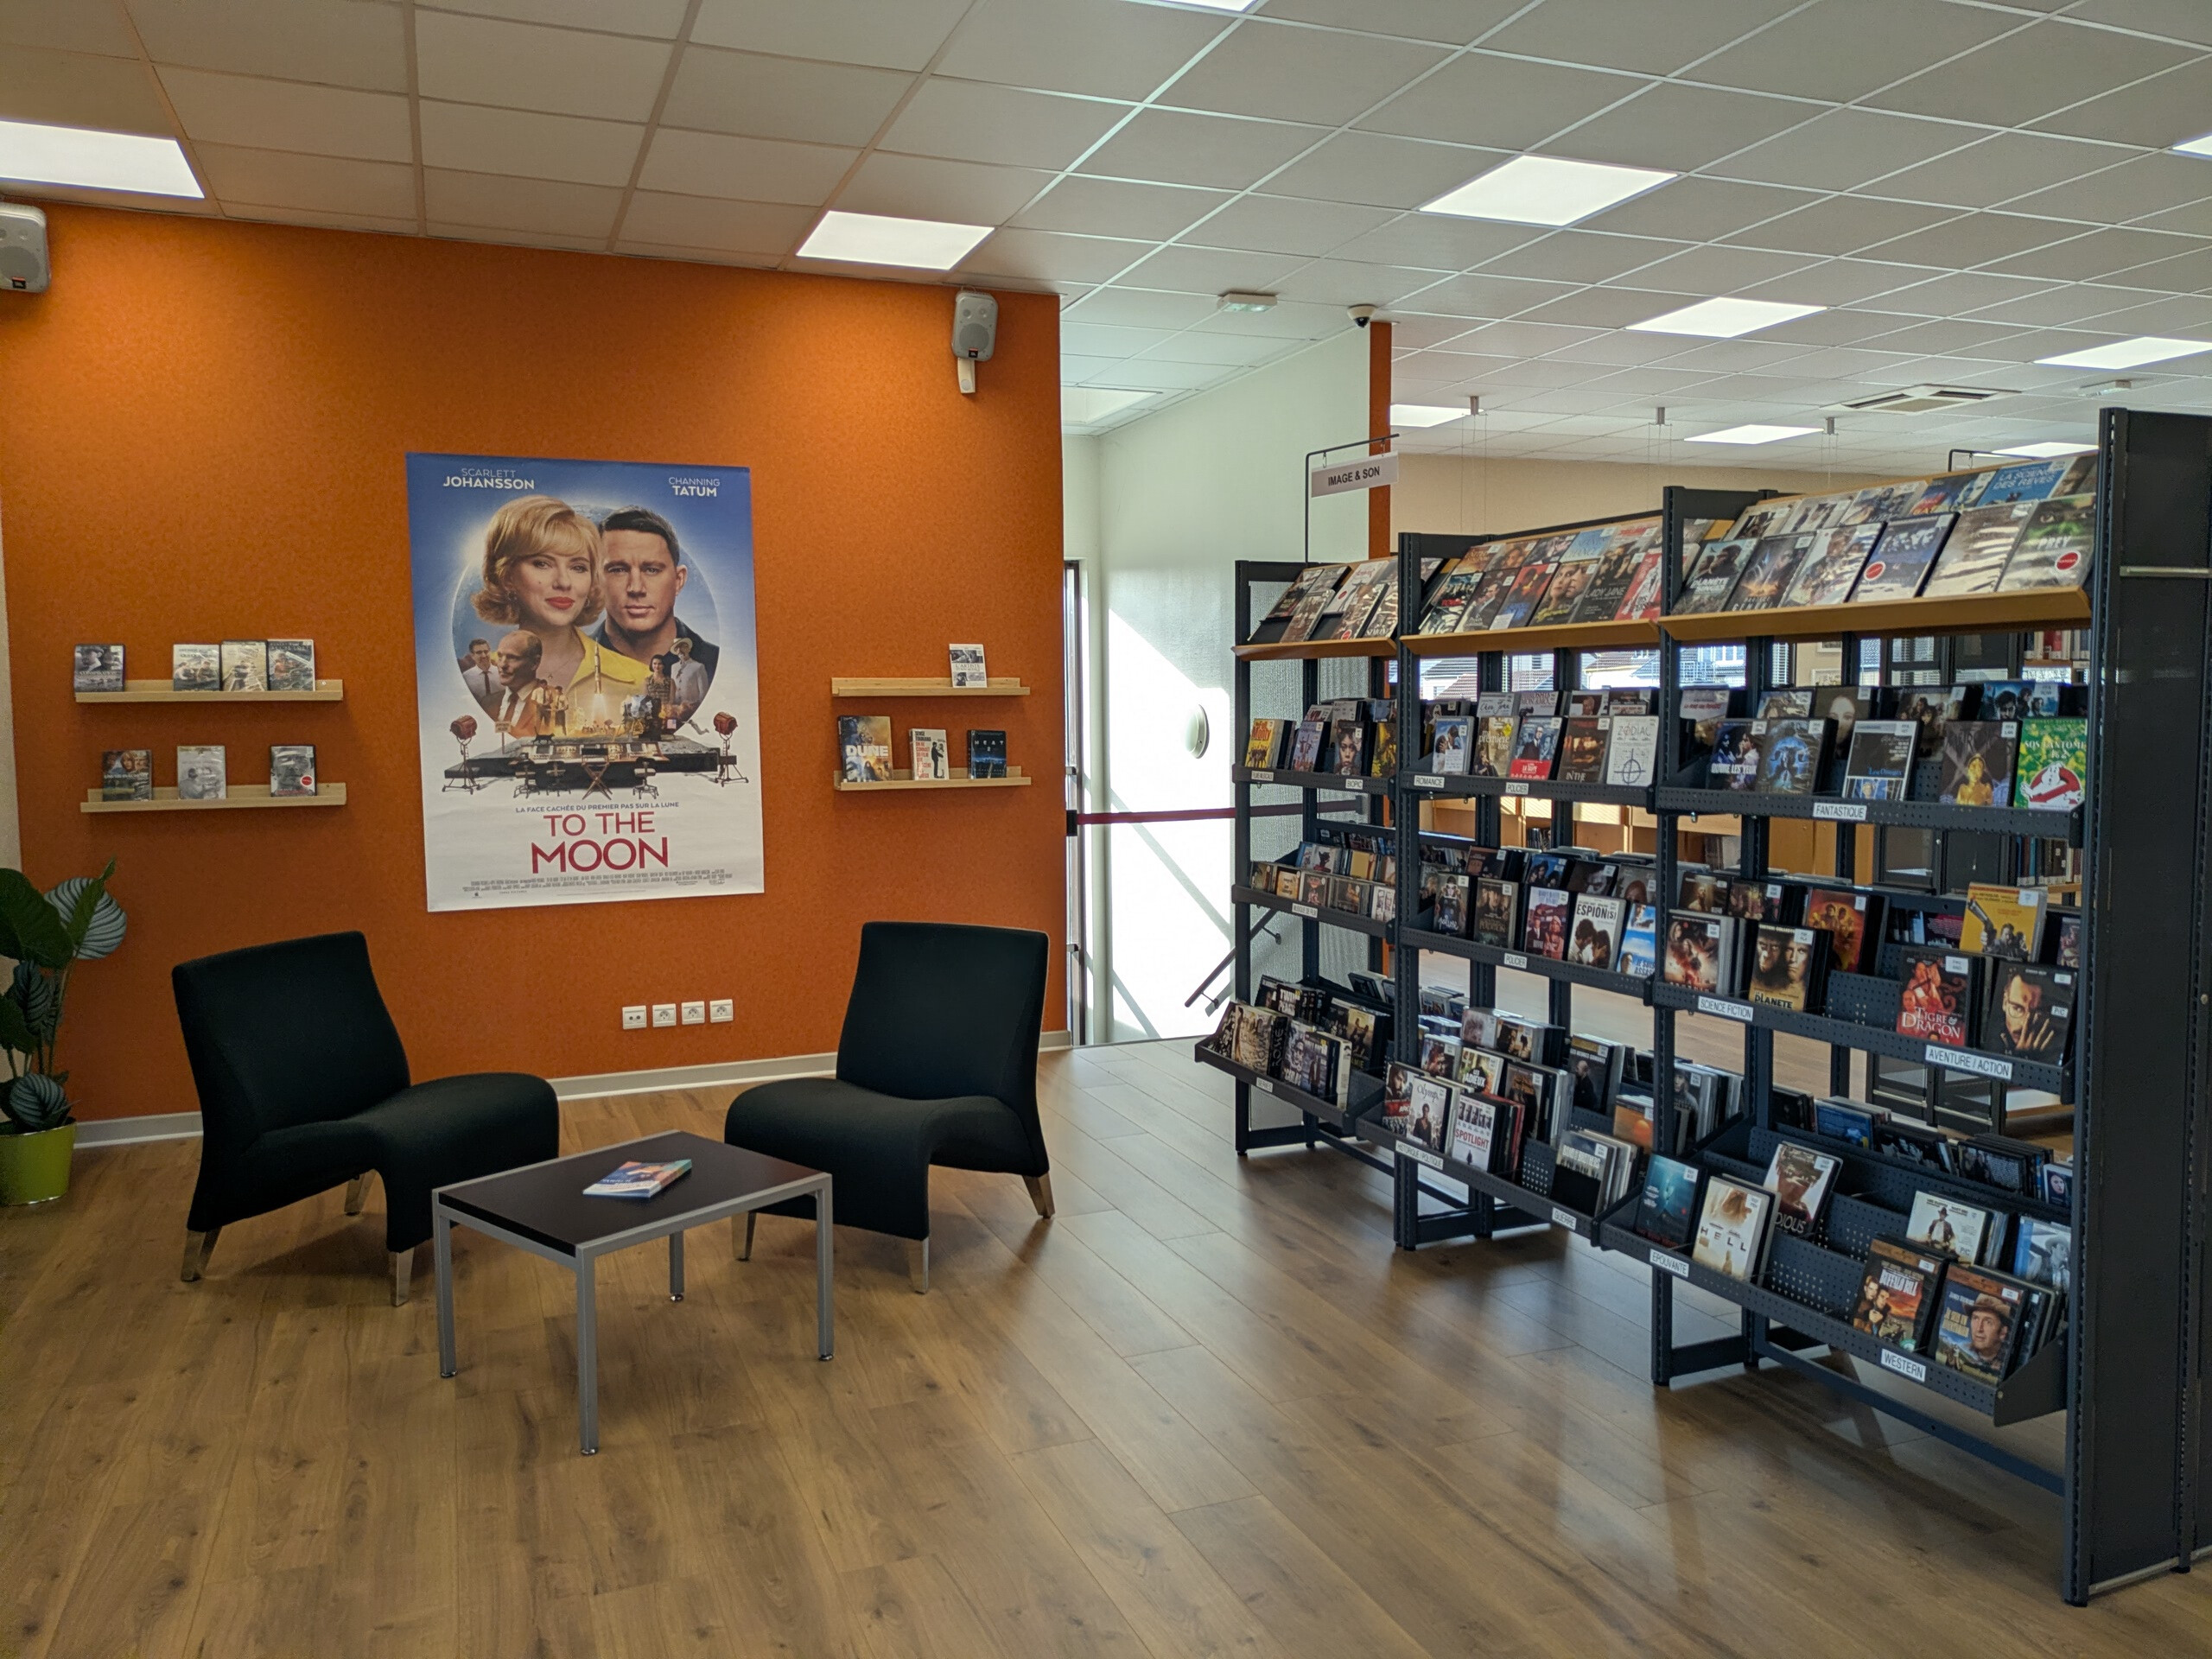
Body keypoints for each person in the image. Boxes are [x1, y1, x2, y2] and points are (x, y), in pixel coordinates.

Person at [471, 494, 646, 701]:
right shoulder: (480, 678)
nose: (564, 582)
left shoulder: (638, 680)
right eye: (542, 564)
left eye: (578, 567)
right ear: (507, 576)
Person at [593, 506, 720, 685]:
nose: (636, 588)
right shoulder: (570, 666)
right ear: (595, 580)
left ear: (678, 580)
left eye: (652, 570)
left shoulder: (717, 666)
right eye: (619, 570)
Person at [491, 629, 552, 741]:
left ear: (535, 663)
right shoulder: (487, 703)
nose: (502, 665)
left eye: (512, 658)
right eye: (500, 657)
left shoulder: (552, 702)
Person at [667, 635, 709, 723]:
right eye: (677, 648)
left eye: (683, 647)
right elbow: (672, 688)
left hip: (691, 711)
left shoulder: (698, 667)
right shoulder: (674, 667)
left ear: (689, 649)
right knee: (671, 729)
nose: (680, 650)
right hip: (675, 711)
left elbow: (703, 693)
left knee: (689, 730)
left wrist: (697, 710)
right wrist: (671, 705)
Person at [458, 639, 500, 710]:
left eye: (486, 651)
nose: (483, 655)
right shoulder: (466, 677)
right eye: (479, 652)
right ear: (472, 655)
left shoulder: (501, 673)